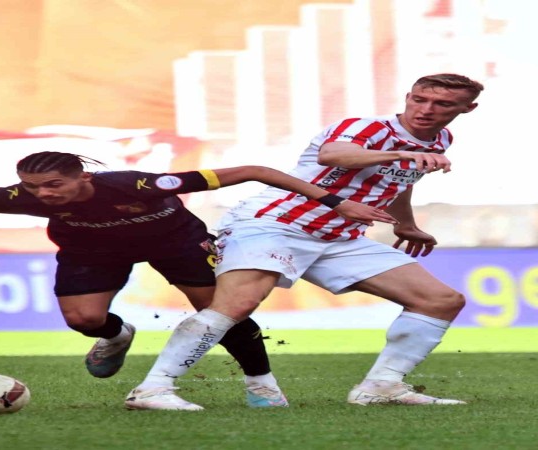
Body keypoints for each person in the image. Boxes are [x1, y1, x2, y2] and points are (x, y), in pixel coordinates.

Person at [0, 151, 394, 408]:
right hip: (91, 250)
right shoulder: (14, 196)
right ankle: (116, 334)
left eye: (54, 187)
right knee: (83, 319)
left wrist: (335, 201)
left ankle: (261, 387)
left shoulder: (140, 184)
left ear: (82, 177)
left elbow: (255, 170)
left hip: (175, 243)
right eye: (34, 189)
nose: (43, 196)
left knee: (224, 314)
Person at [125, 73, 484, 410]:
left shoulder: (440, 140)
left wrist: (406, 224)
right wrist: (401, 153)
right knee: (238, 304)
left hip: (338, 237)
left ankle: (382, 386)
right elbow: (334, 154)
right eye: (419, 99)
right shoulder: (368, 128)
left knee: (440, 301)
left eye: (442, 104)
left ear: (467, 109)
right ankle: (154, 388)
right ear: (407, 96)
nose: (426, 109)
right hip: (274, 223)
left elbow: (399, 181)